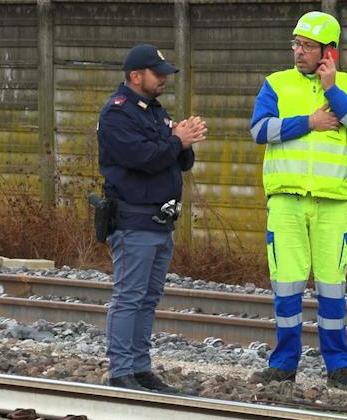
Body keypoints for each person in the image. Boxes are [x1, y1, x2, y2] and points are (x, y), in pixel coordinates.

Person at [248, 11, 347, 392]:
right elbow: (259, 129)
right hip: (286, 203)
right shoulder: (276, 84)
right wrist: (309, 122)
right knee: (286, 285)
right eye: (296, 44)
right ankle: (284, 364)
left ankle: (339, 366)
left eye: (306, 46)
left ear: (329, 52)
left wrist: (333, 90)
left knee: (332, 287)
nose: (298, 52)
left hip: (332, 205)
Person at [97, 43, 207, 392]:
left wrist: (182, 142)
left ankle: (140, 368)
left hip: (160, 222)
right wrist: (176, 141)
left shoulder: (155, 111)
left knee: (148, 298)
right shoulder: (117, 114)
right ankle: (121, 370)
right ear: (135, 76)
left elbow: (178, 161)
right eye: (157, 74)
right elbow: (143, 158)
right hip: (134, 220)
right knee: (129, 296)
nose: (164, 79)